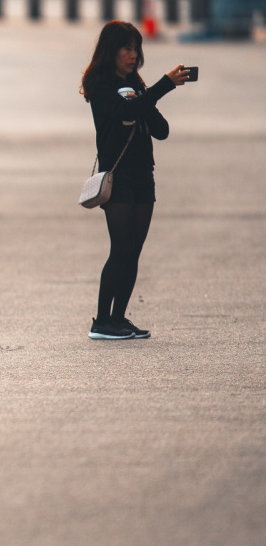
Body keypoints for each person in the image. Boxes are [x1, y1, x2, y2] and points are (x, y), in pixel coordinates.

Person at [80, 21, 190, 340]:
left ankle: (119, 318)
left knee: (134, 251)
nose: (133, 55)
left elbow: (161, 130)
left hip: (143, 175)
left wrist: (146, 97)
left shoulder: (136, 85)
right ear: (111, 51)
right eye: (126, 48)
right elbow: (123, 112)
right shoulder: (99, 85)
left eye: (136, 49)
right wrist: (163, 86)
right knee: (120, 248)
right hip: (118, 177)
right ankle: (101, 322)